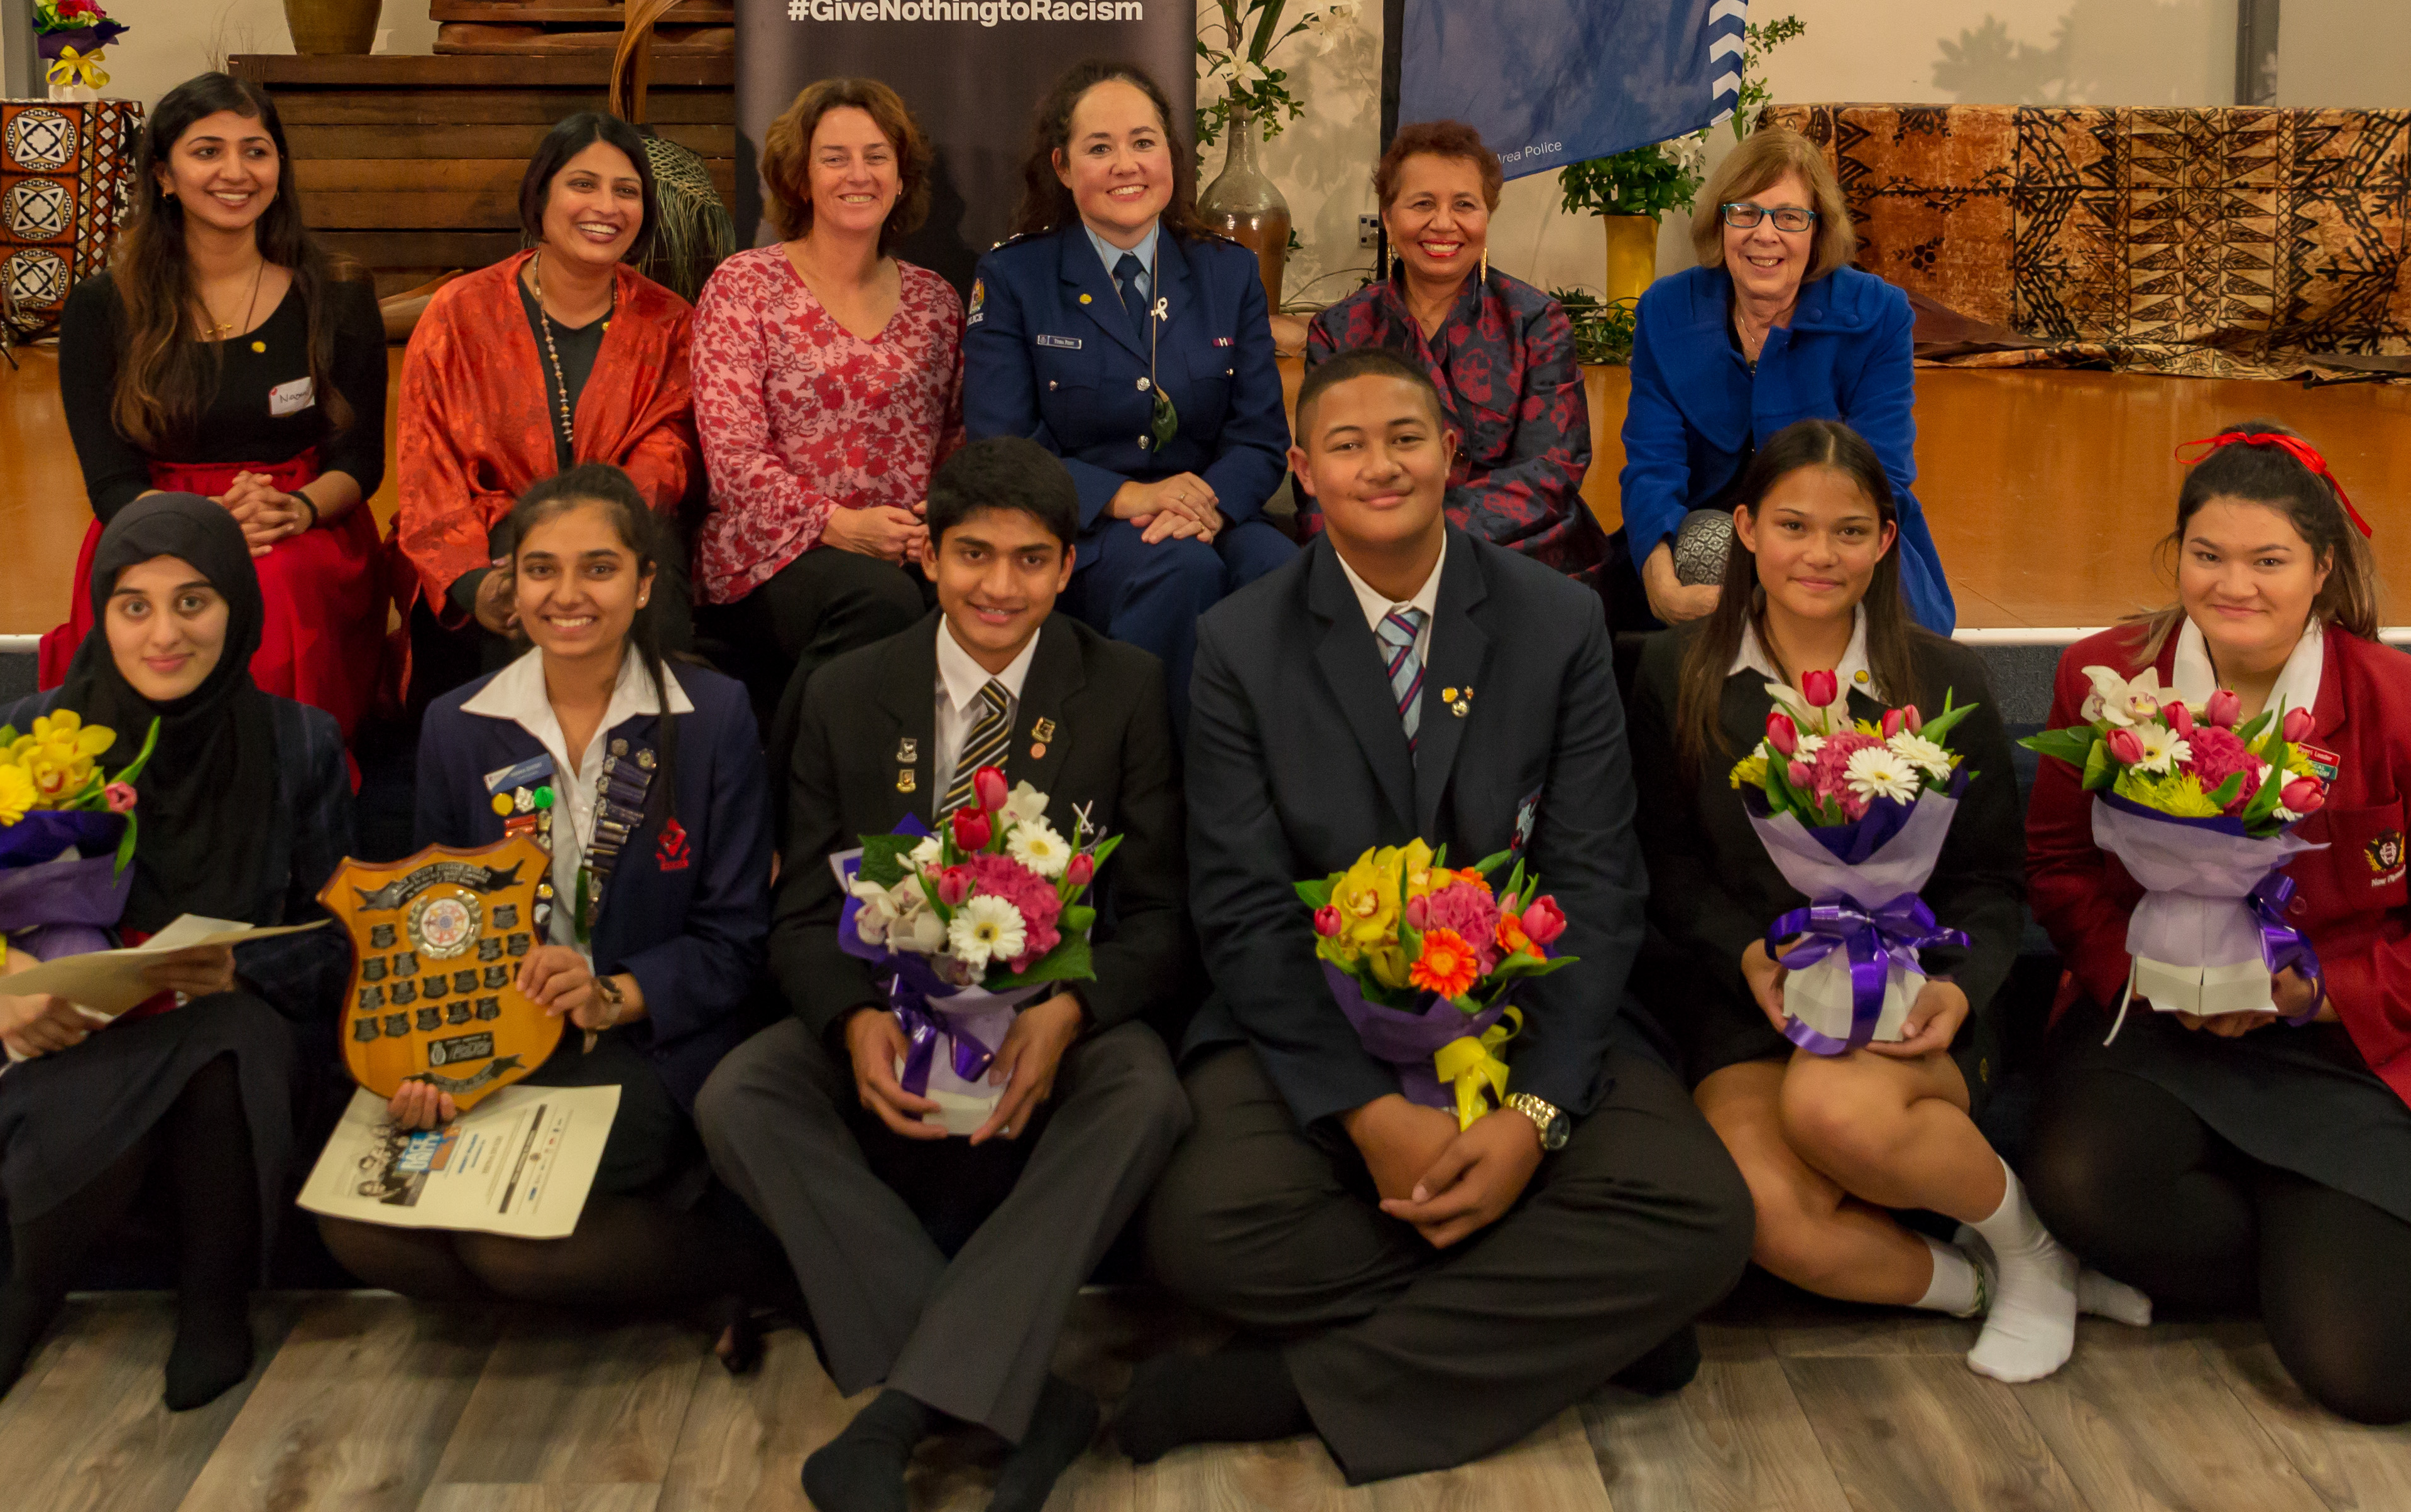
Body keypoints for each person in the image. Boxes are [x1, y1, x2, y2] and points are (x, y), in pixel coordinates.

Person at [1119, 348, 1749, 1483]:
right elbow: (1246, 910)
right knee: (1202, 1232)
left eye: (1406, 439)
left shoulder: (1556, 622)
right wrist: (1365, 1113)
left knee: (1702, 1215)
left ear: (1452, 456)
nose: (1381, 466)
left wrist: (1535, 1118)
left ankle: (1292, 1386)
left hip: (1522, 1017)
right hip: (1321, 1030)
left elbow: (1596, 884)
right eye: (1348, 446)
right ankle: (1583, 1318)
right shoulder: (1239, 643)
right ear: (1304, 474)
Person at [2020, 423, 2411, 1423]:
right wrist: (2143, 977)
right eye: (2208, 556)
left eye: (2268, 561)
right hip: (2160, 1033)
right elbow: (2061, 868)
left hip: (2351, 1056)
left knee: (2367, 1372)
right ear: (2176, 556)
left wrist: (2315, 994)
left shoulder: (2408, 705)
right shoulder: (2108, 679)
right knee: (2076, 1177)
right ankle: (2304, 1261)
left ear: (2323, 569)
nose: (2234, 584)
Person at [698, 436, 1191, 1512]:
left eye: (1028, 561)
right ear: (927, 555)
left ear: (1068, 568)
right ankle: (1017, 1394)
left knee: (1146, 1092)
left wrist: (1073, 1009)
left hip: (1055, 1024)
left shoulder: (1124, 690)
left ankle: (900, 1413)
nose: (998, 587)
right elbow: (799, 916)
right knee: (743, 1093)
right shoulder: (843, 691)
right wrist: (845, 1023)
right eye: (974, 555)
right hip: (892, 1009)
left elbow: (1160, 917)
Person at [1629, 419, 2140, 1384]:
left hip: (1915, 991)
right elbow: (1669, 866)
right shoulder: (1677, 675)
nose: (1820, 555)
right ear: (1743, 529)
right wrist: (1744, 953)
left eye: (1850, 531)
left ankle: (2028, 1248)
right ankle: (1990, 1282)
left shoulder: (1942, 680)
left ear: (1886, 539)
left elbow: (1993, 877)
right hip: (1754, 1004)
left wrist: (1960, 986)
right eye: (1792, 526)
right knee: (1762, 1209)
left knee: (1834, 1113)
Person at [314, 465, 784, 1322]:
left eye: (599, 569)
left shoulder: (713, 716)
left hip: (647, 1041)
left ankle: (741, 1272)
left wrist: (613, 995)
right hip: (496, 1037)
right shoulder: (458, 726)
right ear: (509, 586)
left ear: (644, 585)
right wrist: (430, 1058)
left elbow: (736, 939)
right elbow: (436, 927)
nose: (568, 595)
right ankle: (556, 1278)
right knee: (364, 1227)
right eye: (540, 570)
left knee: (510, 1246)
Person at [0, 492, 355, 1413]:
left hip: (229, 1020)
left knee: (227, 1044)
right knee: (129, 1051)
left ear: (239, 608)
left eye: (193, 602)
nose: (164, 634)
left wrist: (242, 966)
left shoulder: (299, 743)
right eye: (135, 606)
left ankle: (212, 1301)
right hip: (74, 1028)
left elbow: (343, 933)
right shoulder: (26, 734)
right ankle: (32, 1287)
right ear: (102, 613)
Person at [50, 72, 393, 740]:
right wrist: (202, 524)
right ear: (164, 176)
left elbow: (361, 459)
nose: (235, 172)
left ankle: (283, 776)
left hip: (300, 519)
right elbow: (111, 483)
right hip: (155, 519)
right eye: (207, 151)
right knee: (174, 588)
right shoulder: (103, 307)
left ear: (279, 168)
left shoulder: (338, 293)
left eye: (255, 151)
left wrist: (293, 509)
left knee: (276, 581)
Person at [961, 58, 1291, 734]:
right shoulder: (1015, 277)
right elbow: (1004, 447)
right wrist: (1129, 497)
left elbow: (1259, 438)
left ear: (1169, 156)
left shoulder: (1228, 274)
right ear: (1061, 167)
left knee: (1283, 573)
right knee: (1181, 572)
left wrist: (1210, 506)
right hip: (1088, 527)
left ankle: (1271, 794)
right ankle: (1139, 784)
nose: (1126, 165)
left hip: (1209, 514)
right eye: (1099, 148)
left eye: (1143, 143)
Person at [691, 79, 961, 771]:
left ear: (902, 177)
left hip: (903, 548)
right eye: (834, 157)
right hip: (770, 554)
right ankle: (783, 819)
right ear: (799, 177)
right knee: (881, 605)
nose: (858, 174)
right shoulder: (744, 285)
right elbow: (733, 456)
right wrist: (838, 525)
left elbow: (957, 441)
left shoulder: (938, 301)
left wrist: (930, 521)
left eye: (876, 156)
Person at [393, 112, 700, 709]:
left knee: (647, 567)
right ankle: (523, 791)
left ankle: (649, 779)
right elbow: (425, 470)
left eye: (626, 190)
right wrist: (476, 584)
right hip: (483, 538)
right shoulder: (460, 313)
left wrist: (598, 525)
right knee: (527, 578)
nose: (606, 206)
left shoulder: (669, 322)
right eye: (583, 184)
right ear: (542, 196)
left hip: (624, 526)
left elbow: (674, 444)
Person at [1621, 124, 1952, 637]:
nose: (1765, 234)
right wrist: (1659, 577)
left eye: (1790, 217)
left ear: (1817, 230)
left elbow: (1882, 473)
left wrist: (1799, 549)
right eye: (1745, 213)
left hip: (1833, 532)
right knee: (1700, 550)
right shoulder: (1666, 310)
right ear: (1721, 222)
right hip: (1713, 533)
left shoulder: (1878, 313)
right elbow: (1652, 464)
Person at [1300, 119, 1599, 572]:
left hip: (1509, 546)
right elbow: (1326, 471)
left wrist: (1427, 534)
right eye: (1422, 204)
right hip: (1375, 539)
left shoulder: (1536, 322)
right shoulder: (1339, 331)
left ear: (1487, 216)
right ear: (1388, 215)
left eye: (1464, 205)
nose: (1444, 224)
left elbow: (1552, 470)